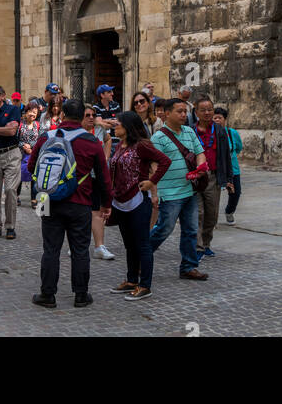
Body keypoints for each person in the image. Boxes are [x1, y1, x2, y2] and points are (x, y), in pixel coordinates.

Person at [27, 96, 114, 309]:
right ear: (82, 116)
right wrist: (106, 203)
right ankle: (81, 295)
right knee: (80, 250)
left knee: (51, 249)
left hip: (48, 200)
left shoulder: (47, 137)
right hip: (80, 201)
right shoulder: (92, 141)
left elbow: (31, 167)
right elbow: (104, 177)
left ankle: (47, 295)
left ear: (63, 114)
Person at [108, 110, 171, 299]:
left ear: (127, 126)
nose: (115, 126)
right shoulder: (119, 145)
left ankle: (145, 286)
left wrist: (152, 182)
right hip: (120, 201)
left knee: (142, 244)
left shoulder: (142, 145)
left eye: (118, 123)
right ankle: (131, 279)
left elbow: (164, 161)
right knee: (129, 244)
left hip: (137, 200)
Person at [149, 96, 209, 282]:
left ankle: (189, 266)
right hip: (170, 192)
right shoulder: (158, 137)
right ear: (167, 114)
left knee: (190, 230)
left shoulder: (189, 132)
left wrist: (200, 169)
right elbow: (153, 165)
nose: (184, 114)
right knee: (164, 229)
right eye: (179, 111)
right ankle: (141, 254)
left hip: (189, 190)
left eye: (185, 111)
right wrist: (155, 192)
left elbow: (200, 153)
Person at [194, 95, 234, 256]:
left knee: (212, 213)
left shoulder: (219, 131)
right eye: (203, 110)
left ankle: (206, 242)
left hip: (213, 176)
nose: (207, 113)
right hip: (195, 177)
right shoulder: (190, 130)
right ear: (196, 112)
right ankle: (197, 247)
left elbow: (226, 156)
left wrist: (229, 179)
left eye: (209, 109)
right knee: (198, 213)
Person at [0, 84, 22, 240]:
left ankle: (10, 226)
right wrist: (2, 129)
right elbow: (2, 131)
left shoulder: (12, 110)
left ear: (2, 95)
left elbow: (12, 131)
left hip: (11, 153)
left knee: (10, 190)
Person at [82, 104, 115, 261]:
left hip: (97, 176)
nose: (90, 118)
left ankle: (99, 247)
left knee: (97, 211)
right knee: (80, 212)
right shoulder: (77, 132)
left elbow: (108, 140)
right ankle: (78, 244)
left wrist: (106, 158)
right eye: (87, 115)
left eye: (93, 115)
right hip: (81, 178)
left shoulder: (100, 130)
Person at [214, 105, 243, 224]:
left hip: (232, 168)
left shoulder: (232, 133)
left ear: (225, 119)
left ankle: (229, 211)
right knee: (213, 195)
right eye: (214, 118)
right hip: (216, 168)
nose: (216, 120)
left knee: (235, 192)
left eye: (219, 118)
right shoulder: (210, 134)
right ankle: (212, 218)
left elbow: (238, 148)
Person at [18, 102, 41, 203]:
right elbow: (15, 138)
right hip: (20, 153)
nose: (32, 114)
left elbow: (40, 139)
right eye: (31, 112)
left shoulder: (37, 125)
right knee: (19, 175)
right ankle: (17, 196)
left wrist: (31, 147)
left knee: (34, 176)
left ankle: (33, 198)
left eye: (35, 113)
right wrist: (23, 145)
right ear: (26, 112)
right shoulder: (20, 124)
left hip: (33, 153)